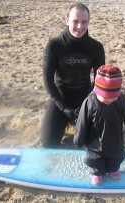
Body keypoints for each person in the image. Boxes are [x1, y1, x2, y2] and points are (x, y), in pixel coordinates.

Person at [41, 3, 105, 148]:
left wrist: (89, 103)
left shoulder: (96, 47)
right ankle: (67, 122)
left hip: (85, 96)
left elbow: (99, 81)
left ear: (89, 21)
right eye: (75, 21)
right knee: (48, 143)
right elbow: (48, 82)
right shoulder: (54, 45)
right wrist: (63, 108)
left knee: (99, 140)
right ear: (67, 20)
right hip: (60, 96)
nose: (80, 26)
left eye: (84, 22)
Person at [73, 65, 125, 185]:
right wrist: (78, 140)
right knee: (95, 159)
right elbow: (82, 123)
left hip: (115, 139)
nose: (109, 100)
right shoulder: (89, 102)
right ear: (97, 90)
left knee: (116, 156)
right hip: (95, 141)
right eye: (105, 97)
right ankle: (98, 173)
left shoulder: (121, 100)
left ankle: (113, 169)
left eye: (113, 97)